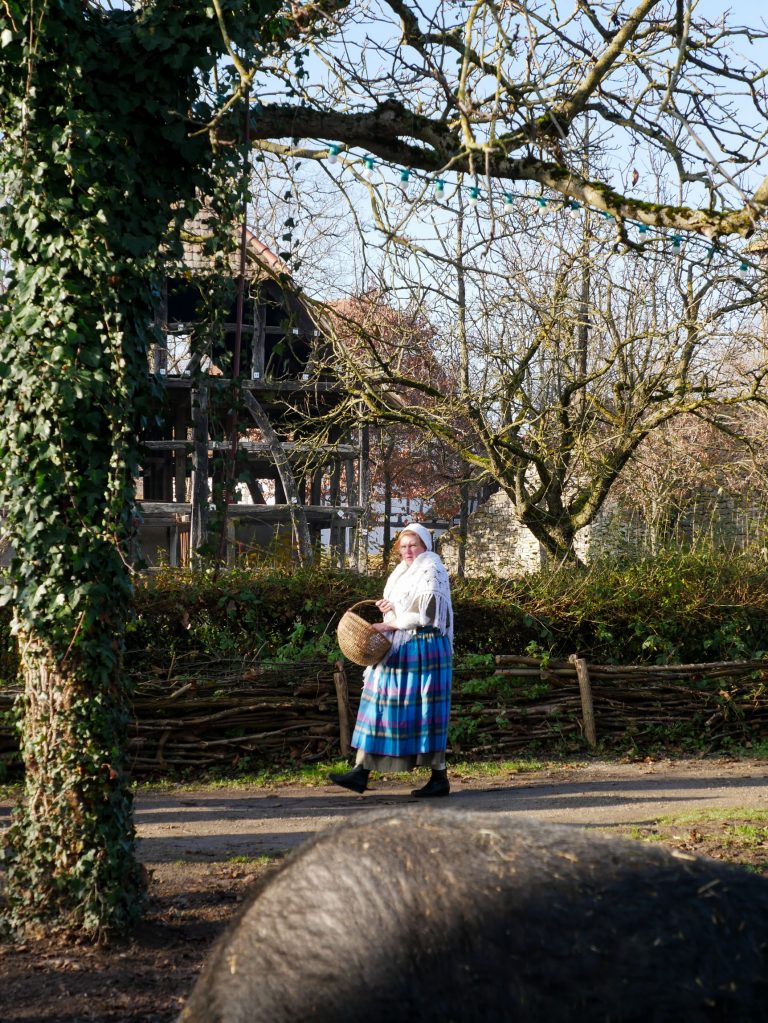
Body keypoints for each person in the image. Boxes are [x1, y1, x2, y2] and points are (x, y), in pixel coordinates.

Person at [329, 522, 454, 798]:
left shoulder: (431, 569)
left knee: (425, 711)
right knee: (378, 702)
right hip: (400, 646)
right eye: (403, 546)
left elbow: (427, 615)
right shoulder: (400, 574)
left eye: (413, 545)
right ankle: (361, 771)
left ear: (424, 545)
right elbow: (402, 613)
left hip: (424, 648)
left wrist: (389, 624)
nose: (408, 550)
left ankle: (439, 777)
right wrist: (390, 611)